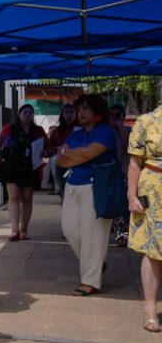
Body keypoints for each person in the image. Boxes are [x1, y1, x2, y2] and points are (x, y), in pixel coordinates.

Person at [57, 94, 116, 297]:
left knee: (93, 235)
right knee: (70, 229)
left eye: (85, 109)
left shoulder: (106, 132)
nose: (80, 113)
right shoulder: (76, 134)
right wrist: (73, 155)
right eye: (79, 109)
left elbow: (86, 154)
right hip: (72, 185)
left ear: (97, 112)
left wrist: (69, 153)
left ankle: (90, 281)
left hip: (95, 187)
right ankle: (97, 263)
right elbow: (60, 161)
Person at [127, 91, 162, 332]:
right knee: (153, 249)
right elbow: (134, 163)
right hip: (154, 189)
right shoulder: (146, 121)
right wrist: (131, 195)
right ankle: (150, 308)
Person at [0, 104, 48, 241]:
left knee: (27, 198)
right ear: (19, 114)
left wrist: (45, 152)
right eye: (25, 112)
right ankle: (14, 230)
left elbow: (47, 148)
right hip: (11, 167)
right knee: (13, 197)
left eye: (30, 112)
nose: (28, 114)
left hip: (30, 167)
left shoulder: (38, 131)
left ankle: (24, 229)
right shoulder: (9, 128)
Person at [109, 104, 131, 247]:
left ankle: (122, 234)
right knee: (111, 204)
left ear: (123, 117)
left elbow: (130, 147)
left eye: (118, 115)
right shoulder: (106, 132)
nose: (114, 118)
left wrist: (121, 130)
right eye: (111, 115)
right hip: (109, 173)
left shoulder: (129, 131)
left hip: (124, 172)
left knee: (123, 204)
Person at [47, 104, 77, 199]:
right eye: (67, 112)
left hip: (79, 164)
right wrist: (57, 149)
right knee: (64, 192)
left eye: (72, 112)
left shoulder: (82, 130)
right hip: (62, 165)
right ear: (62, 115)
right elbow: (49, 148)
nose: (69, 114)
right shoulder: (57, 131)